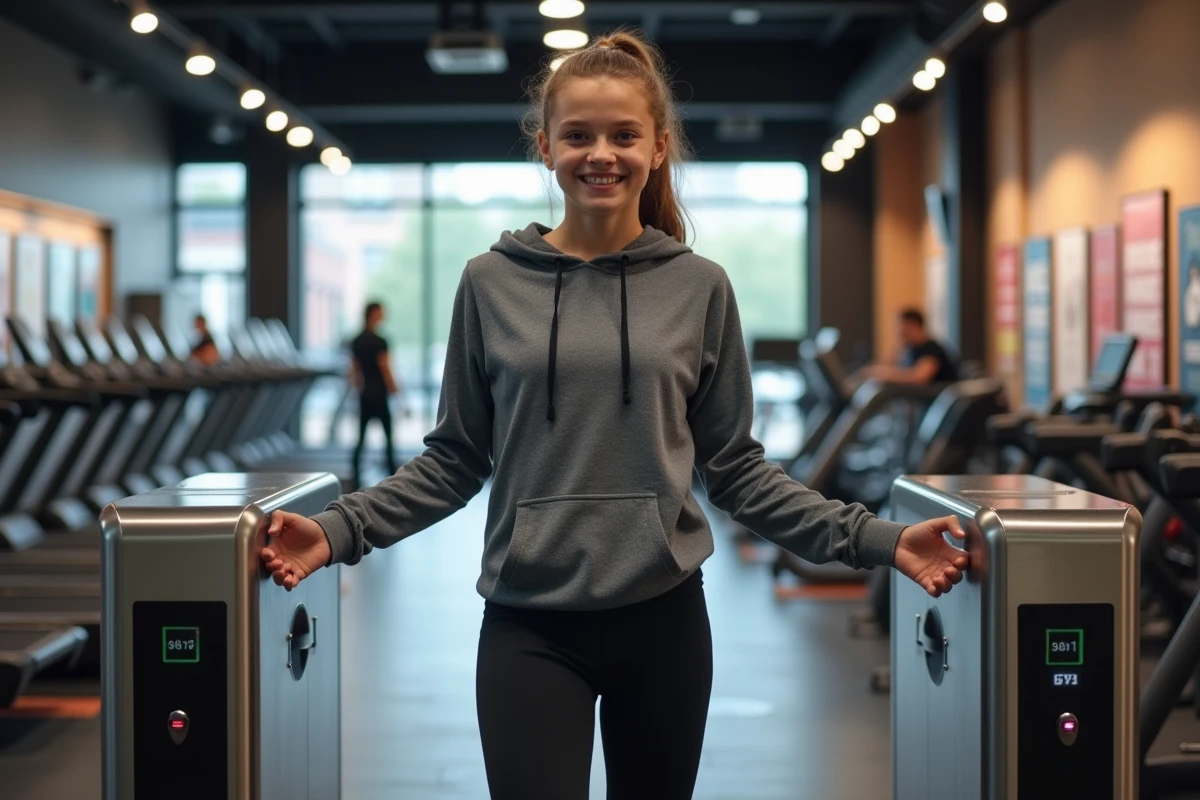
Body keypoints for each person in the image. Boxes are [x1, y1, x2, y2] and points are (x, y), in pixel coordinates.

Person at [262, 30, 967, 800]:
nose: (601, 153)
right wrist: (336, 529)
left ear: (659, 146)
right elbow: (455, 458)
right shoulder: (488, 284)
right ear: (545, 147)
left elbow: (736, 471)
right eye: (578, 135)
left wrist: (881, 539)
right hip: (528, 624)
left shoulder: (700, 287)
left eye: (624, 134)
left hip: (663, 623)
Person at [349, 301, 400, 488]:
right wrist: (396, 390)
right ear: (373, 314)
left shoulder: (356, 340)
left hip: (365, 394)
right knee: (388, 437)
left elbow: (354, 371)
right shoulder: (381, 341)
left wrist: (357, 391)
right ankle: (394, 479)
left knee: (361, 437)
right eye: (381, 312)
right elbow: (385, 367)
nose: (384, 315)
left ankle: (355, 478)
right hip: (379, 394)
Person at [859, 308, 959, 384]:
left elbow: (919, 377)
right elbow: (888, 364)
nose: (900, 334)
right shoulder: (911, 349)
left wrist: (887, 374)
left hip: (937, 402)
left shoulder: (931, 349)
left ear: (913, 326)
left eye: (902, 329)